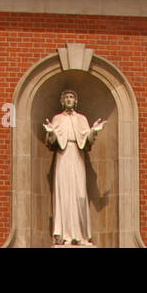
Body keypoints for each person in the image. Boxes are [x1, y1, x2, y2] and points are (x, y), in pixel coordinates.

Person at [43, 89, 105, 246]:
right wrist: (51, 133)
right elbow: (51, 141)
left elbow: (87, 140)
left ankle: (82, 235)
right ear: (62, 101)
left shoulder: (81, 119)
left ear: (75, 101)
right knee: (64, 194)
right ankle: (66, 236)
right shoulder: (57, 119)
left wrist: (93, 131)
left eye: (72, 97)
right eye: (66, 97)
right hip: (62, 156)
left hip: (77, 156)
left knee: (80, 195)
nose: (69, 99)